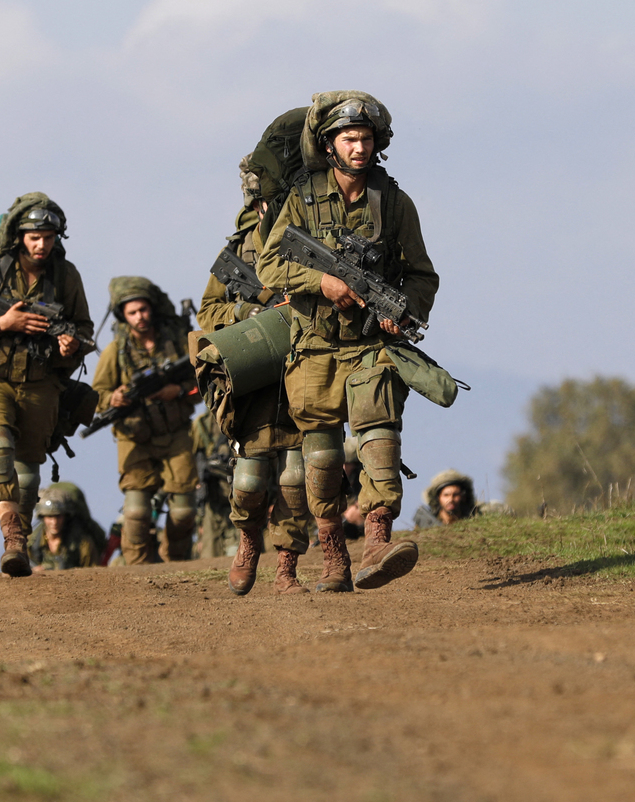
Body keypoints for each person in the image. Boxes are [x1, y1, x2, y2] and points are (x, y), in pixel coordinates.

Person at [256, 92, 439, 592]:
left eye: (366, 138)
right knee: (320, 455)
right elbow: (270, 265)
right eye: (349, 138)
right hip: (313, 343)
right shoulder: (302, 196)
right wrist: (324, 284)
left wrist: (404, 312)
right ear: (330, 144)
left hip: (367, 345)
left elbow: (423, 275)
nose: (359, 147)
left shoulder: (394, 201)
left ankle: (378, 537)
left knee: (380, 426)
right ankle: (333, 553)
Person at [197, 127, 313, 594]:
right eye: (262, 197)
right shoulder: (238, 250)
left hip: (303, 370)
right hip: (254, 377)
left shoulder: (309, 240)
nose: (268, 205)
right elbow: (208, 312)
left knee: (297, 476)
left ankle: (286, 567)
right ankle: (248, 543)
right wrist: (251, 312)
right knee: (249, 478)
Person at [0, 194, 94, 577]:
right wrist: (3, 324)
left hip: (40, 381)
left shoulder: (67, 276)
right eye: (34, 236)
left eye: (48, 236)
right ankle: (12, 536)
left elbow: (85, 329)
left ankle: (20, 546)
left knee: (29, 471)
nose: (41, 244)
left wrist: (72, 343)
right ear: (20, 236)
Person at [93, 277, 200, 564]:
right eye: (132, 312)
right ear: (123, 316)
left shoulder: (176, 343)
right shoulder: (115, 352)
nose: (140, 317)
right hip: (135, 439)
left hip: (175, 434)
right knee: (136, 513)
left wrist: (177, 391)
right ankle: (138, 571)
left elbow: (202, 383)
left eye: (143, 309)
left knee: (183, 512)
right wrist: (113, 398)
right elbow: (96, 395)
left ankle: (178, 564)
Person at [190, 409, 239, 559]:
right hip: (212, 495)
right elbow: (197, 457)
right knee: (209, 552)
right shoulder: (201, 424)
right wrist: (200, 482)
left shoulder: (240, 417)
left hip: (237, 493)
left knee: (239, 551)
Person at [27, 484, 107, 571]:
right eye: (49, 517)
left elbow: (93, 573)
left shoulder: (82, 544)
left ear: (65, 517)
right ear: (42, 517)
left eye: (58, 516)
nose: (54, 522)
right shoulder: (31, 542)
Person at [412, 469, 477, 528]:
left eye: (456, 495)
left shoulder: (474, 517)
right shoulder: (427, 521)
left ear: (463, 497)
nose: (451, 499)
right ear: (438, 497)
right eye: (446, 495)